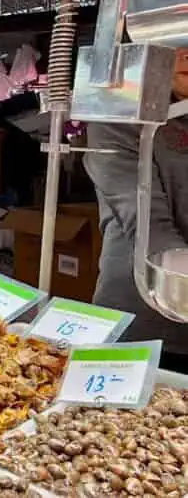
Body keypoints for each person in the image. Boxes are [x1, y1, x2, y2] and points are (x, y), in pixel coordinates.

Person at [84, 47, 188, 373]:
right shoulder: (121, 105)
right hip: (138, 318)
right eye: (175, 40)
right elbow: (145, 218)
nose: (186, 53)